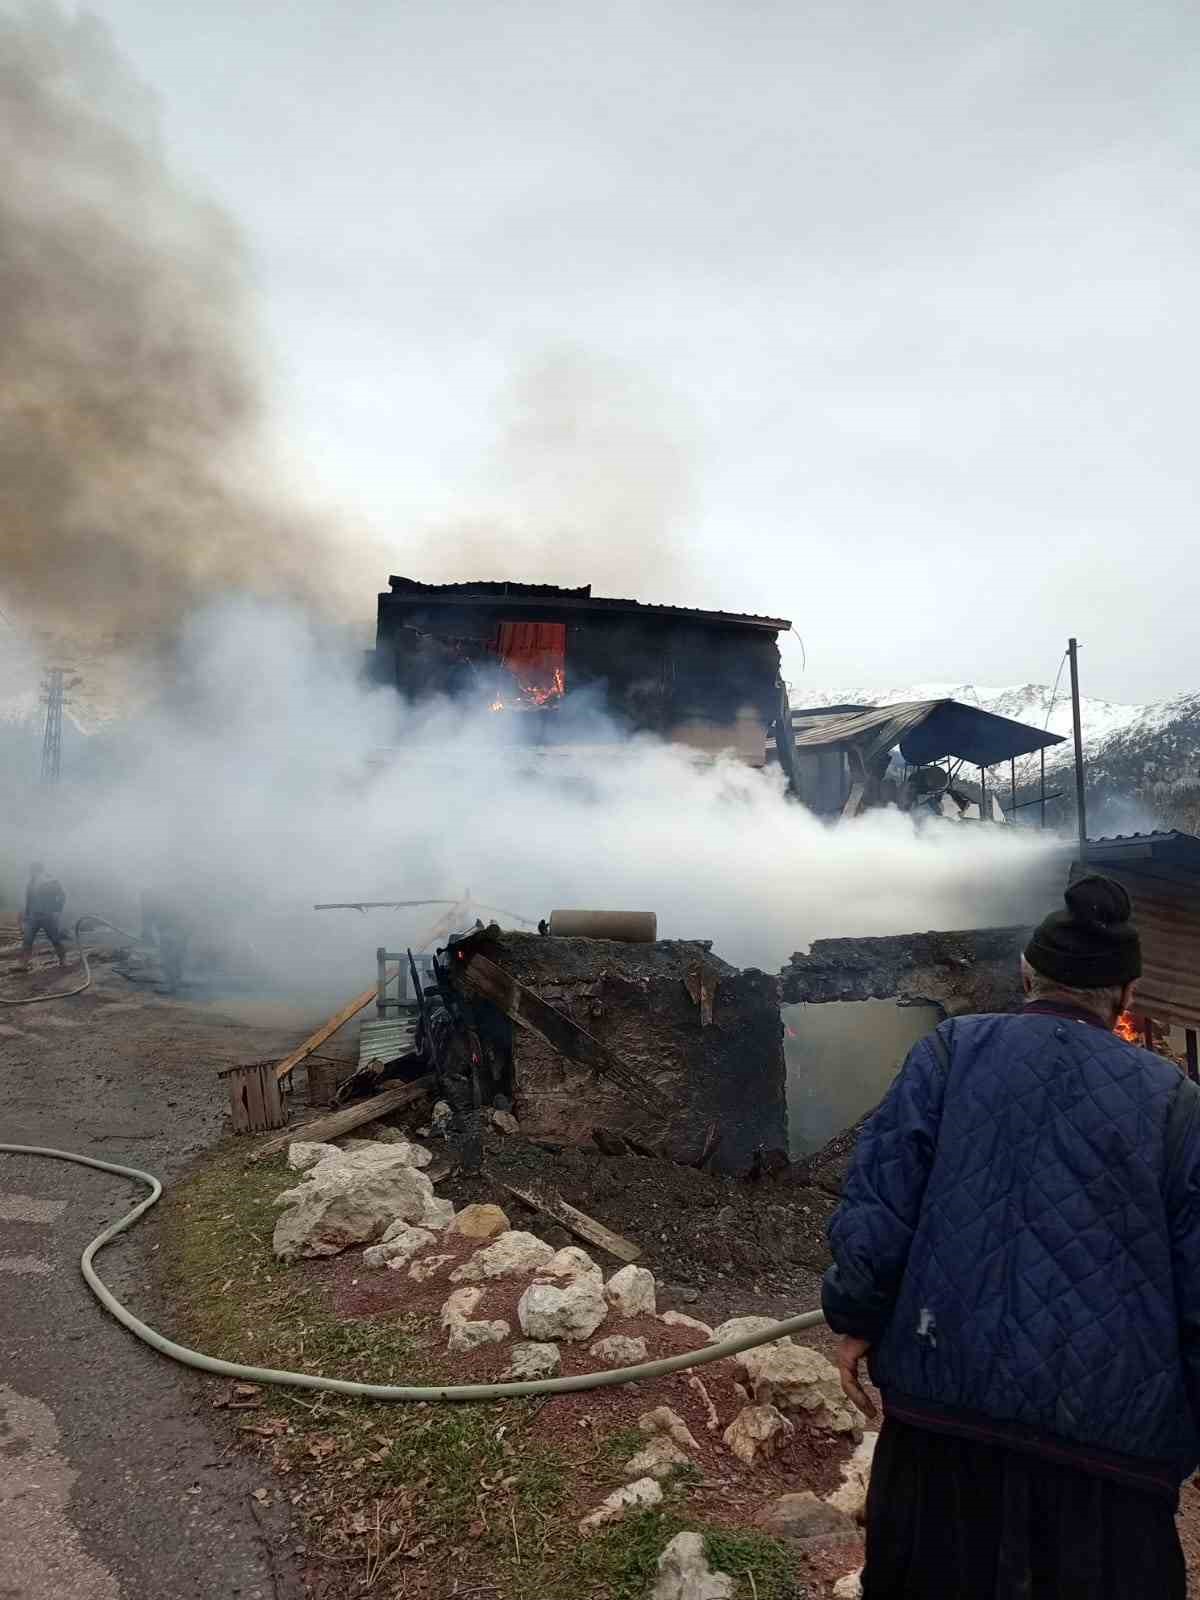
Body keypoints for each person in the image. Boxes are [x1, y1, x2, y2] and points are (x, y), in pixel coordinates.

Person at [823, 875, 1198, 1599]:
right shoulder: (1178, 1109)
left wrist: (856, 1317)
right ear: (1129, 995)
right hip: (1109, 1480)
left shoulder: (950, 1053)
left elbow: (881, 1200)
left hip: (941, 1441)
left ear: (1026, 974)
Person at [18, 862, 67, 970]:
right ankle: (23, 964)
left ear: (39, 870)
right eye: (31, 870)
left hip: (48, 916)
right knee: (27, 940)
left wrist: (57, 911)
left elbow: (62, 896)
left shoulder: (51, 881)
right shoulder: (31, 883)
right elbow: (29, 901)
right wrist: (25, 916)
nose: (31, 872)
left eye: (32, 870)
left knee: (55, 939)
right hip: (33, 916)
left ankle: (63, 960)